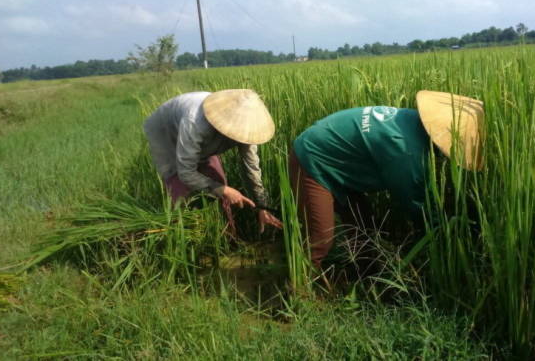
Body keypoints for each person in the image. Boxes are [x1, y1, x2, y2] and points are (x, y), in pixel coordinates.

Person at [289, 91, 484, 268]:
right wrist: (442, 231)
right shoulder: (407, 151)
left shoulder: (412, 119)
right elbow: (415, 204)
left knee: (363, 225)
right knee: (321, 238)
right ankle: (301, 291)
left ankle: (363, 273)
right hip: (312, 157)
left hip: (339, 157)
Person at [143, 89, 283, 233]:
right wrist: (223, 189)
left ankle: (227, 232)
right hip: (166, 133)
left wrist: (261, 207)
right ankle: (184, 232)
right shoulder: (195, 122)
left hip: (202, 136)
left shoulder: (247, 129)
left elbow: (252, 168)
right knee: (180, 188)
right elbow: (185, 172)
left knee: (218, 182)